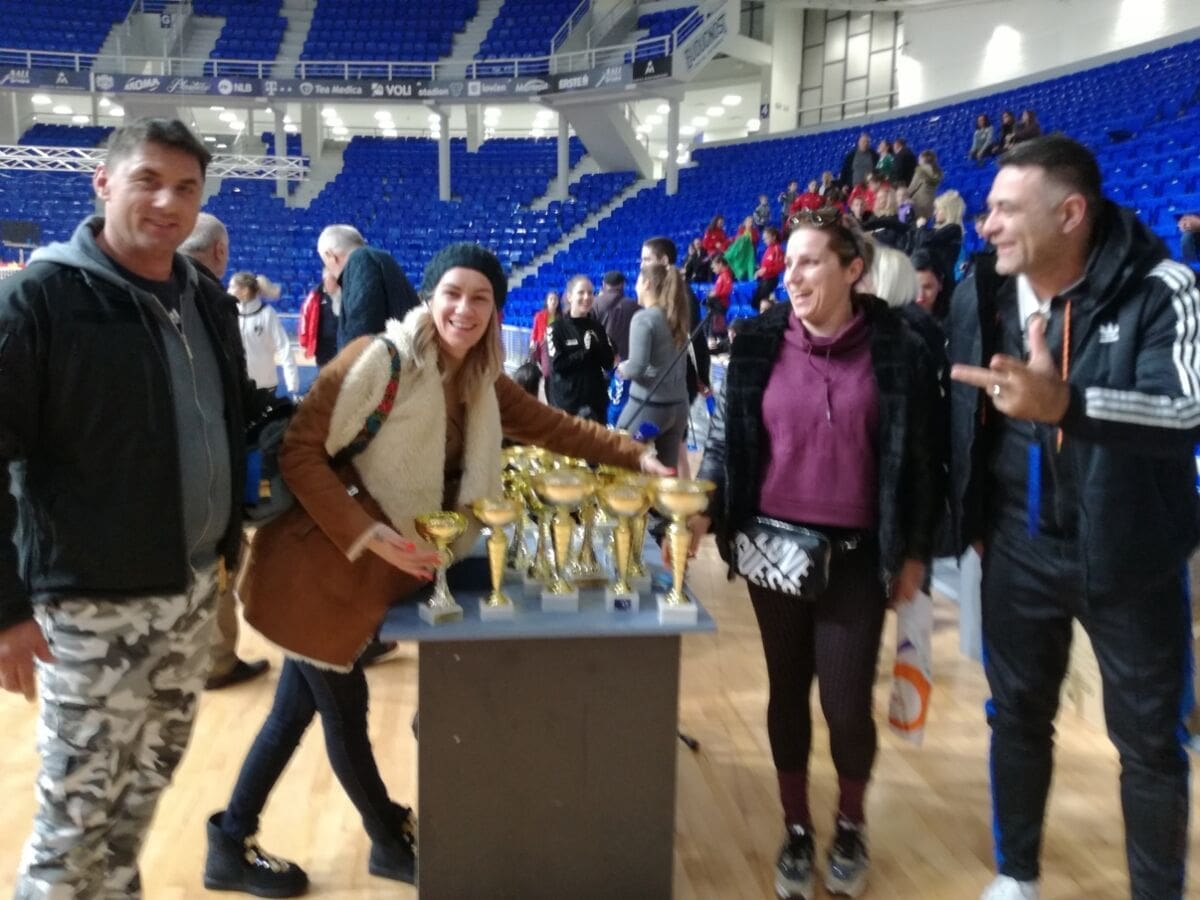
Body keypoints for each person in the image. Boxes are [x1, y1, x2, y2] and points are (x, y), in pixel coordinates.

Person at [203, 243, 672, 897]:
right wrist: (367, 532)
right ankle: (385, 838)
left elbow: (555, 427)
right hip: (324, 570)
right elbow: (301, 451)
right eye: (452, 293)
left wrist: (635, 455)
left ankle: (232, 841)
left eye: (481, 298)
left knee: (295, 711)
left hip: (369, 579)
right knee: (341, 713)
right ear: (429, 297)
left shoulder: (482, 382)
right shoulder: (377, 359)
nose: (464, 309)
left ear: (495, 309)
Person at [0, 117, 260, 897]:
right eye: (148, 180)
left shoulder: (203, 297)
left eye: (186, 188)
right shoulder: (38, 300)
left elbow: (232, 416)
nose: (167, 202)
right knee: (78, 818)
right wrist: (6, 610)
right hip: (90, 604)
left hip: (192, 590)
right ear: (103, 183)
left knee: (141, 792)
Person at [947, 135, 1198, 900]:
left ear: (1070, 213)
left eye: (1006, 209)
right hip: (1017, 546)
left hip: (1131, 553)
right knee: (1016, 717)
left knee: (1150, 744)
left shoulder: (1165, 286)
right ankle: (1016, 876)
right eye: (988, 209)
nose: (988, 224)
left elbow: (1185, 410)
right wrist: (963, 520)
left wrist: (1068, 404)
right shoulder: (982, 293)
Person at [692, 206, 942, 900]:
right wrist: (704, 503)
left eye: (809, 263)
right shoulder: (757, 341)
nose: (792, 276)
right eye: (790, 263)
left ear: (853, 269)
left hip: (858, 556)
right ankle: (797, 827)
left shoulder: (900, 347)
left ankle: (851, 823)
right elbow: (725, 440)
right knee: (786, 692)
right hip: (772, 548)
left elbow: (922, 462)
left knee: (845, 703)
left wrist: (916, 553)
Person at [180, 213, 272, 693]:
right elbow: (231, 388)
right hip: (209, 461)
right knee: (220, 558)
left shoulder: (149, 288)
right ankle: (215, 661)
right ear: (219, 251)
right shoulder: (210, 298)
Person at [641, 235, 711, 478]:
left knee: (673, 448)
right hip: (663, 379)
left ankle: (680, 498)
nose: (642, 265)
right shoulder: (656, 292)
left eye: (647, 259)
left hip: (678, 380)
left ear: (663, 260)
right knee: (672, 449)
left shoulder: (682, 293)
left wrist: (702, 377)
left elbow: (695, 341)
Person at [617, 262, 694, 471]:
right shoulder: (676, 316)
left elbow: (637, 368)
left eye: (637, 282)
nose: (635, 287)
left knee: (620, 455)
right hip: (678, 408)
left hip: (649, 407)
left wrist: (621, 369)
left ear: (647, 284)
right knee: (666, 473)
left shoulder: (644, 318)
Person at [316, 224, 420, 352]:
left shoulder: (361, 261)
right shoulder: (378, 258)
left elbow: (361, 336)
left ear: (331, 255)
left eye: (325, 262)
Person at [546, 274, 615, 424]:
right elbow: (557, 365)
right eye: (581, 292)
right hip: (567, 406)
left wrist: (601, 348)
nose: (587, 297)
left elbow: (608, 363)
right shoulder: (556, 329)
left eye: (590, 293)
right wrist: (584, 352)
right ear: (570, 296)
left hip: (595, 406)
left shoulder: (597, 327)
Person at [228, 272, 300, 404]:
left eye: (232, 287)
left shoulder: (267, 314)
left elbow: (284, 348)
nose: (228, 291)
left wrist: (292, 384)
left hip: (265, 385)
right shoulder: (230, 313)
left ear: (244, 291)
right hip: (239, 384)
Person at [592, 269, 639, 362]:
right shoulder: (634, 305)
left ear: (603, 284)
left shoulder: (594, 303)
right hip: (626, 361)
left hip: (601, 360)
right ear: (623, 285)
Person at [298, 268, 342, 367]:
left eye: (335, 279)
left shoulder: (345, 294)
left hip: (340, 342)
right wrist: (304, 343)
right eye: (331, 279)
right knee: (323, 371)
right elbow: (304, 318)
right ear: (324, 280)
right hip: (322, 346)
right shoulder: (315, 295)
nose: (334, 283)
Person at [752, 225, 785, 309]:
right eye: (763, 239)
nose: (764, 240)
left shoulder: (777, 249)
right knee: (755, 302)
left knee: (759, 302)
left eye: (766, 238)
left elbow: (780, 267)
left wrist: (766, 270)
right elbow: (765, 266)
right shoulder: (769, 249)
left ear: (774, 237)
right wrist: (759, 271)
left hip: (771, 280)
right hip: (764, 280)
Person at [529, 289, 559, 378]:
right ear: (547, 301)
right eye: (551, 299)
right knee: (546, 371)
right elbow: (534, 330)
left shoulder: (560, 317)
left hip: (556, 345)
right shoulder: (539, 315)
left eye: (555, 299)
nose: (553, 301)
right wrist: (532, 341)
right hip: (543, 344)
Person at [907, 149, 943, 221]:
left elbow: (912, 187)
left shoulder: (920, 171)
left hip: (919, 202)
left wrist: (905, 196)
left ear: (924, 159)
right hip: (931, 201)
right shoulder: (937, 172)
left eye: (919, 159)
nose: (918, 161)